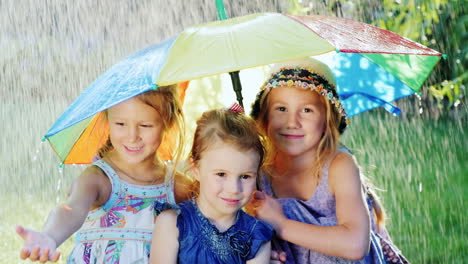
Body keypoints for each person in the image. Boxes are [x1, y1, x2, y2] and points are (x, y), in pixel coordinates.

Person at [16, 85, 191, 263]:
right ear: (108, 121)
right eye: (120, 124)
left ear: (168, 122)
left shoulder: (178, 186)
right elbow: (71, 209)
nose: (132, 136)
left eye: (145, 125)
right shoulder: (99, 178)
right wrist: (50, 236)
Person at [249, 57, 390, 263]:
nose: (292, 122)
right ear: (265, 116)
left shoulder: (339, 166)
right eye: (281, 109)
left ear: (327, 119)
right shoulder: (256, 170)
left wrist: (281, 224)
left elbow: (356, 245)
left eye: (306, 110)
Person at [150, 106, 274, 264]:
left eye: (245, 176)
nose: (234, 189)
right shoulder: (173, 223)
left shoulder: (256, 236)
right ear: (195, 169)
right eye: (221, 174)